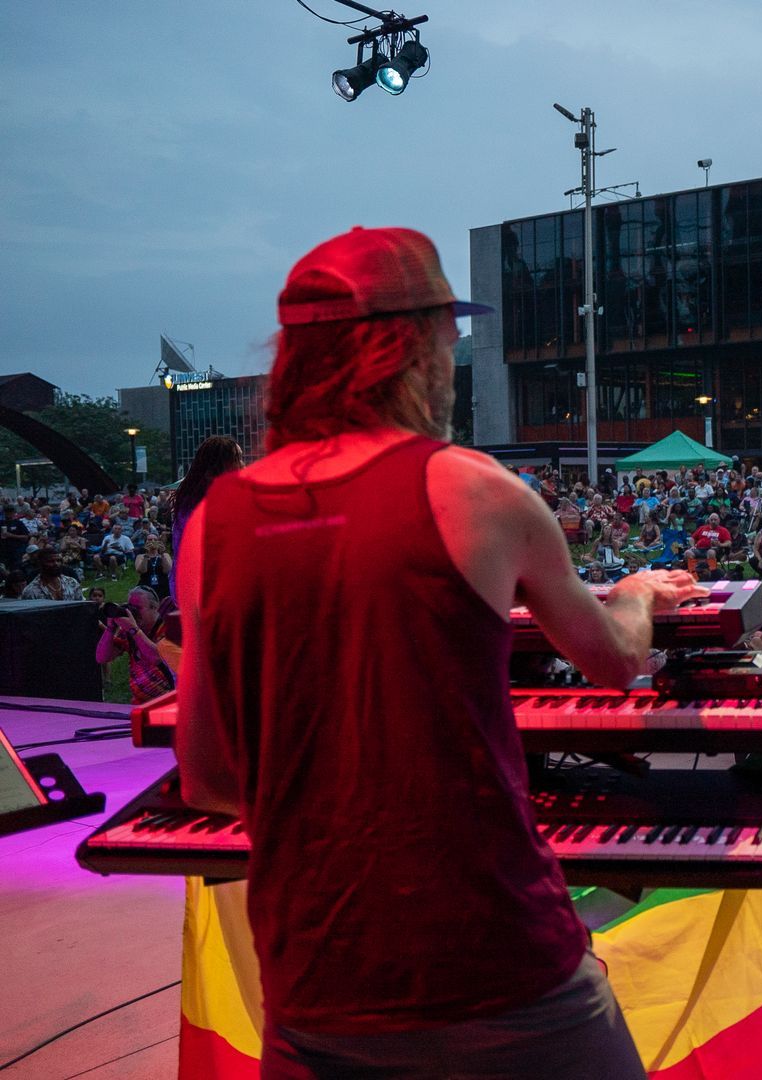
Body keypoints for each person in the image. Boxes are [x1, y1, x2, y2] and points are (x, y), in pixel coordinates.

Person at [172, 227, 689, 1076]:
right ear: (408, 347)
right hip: (503, 970)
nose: (453, 356)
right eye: (447, 337)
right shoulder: (475, 489)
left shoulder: (214, 525)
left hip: (316, 983)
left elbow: (211, 777)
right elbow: (614, 664)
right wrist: (635, 594)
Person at [169, 435, 245, 598]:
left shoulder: (196, 500)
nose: (242, 465)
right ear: (214, 469)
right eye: (237, 459)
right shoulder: (201, 506)